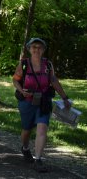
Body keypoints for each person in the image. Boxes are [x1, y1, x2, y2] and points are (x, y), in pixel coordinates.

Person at [12, 38, 71, 173]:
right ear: (29, 49)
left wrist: (64, 97)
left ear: (43, 50)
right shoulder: (24, 64)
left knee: (42, 127)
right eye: (34, 47)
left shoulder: (48, 65)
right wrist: (21, 90)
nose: (36, 49)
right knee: (26, 129)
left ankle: (38, 160)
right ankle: (25, 148)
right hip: (26, 102)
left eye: (39, 47)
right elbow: (15, 80)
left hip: (44, 101)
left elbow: (54, 80)